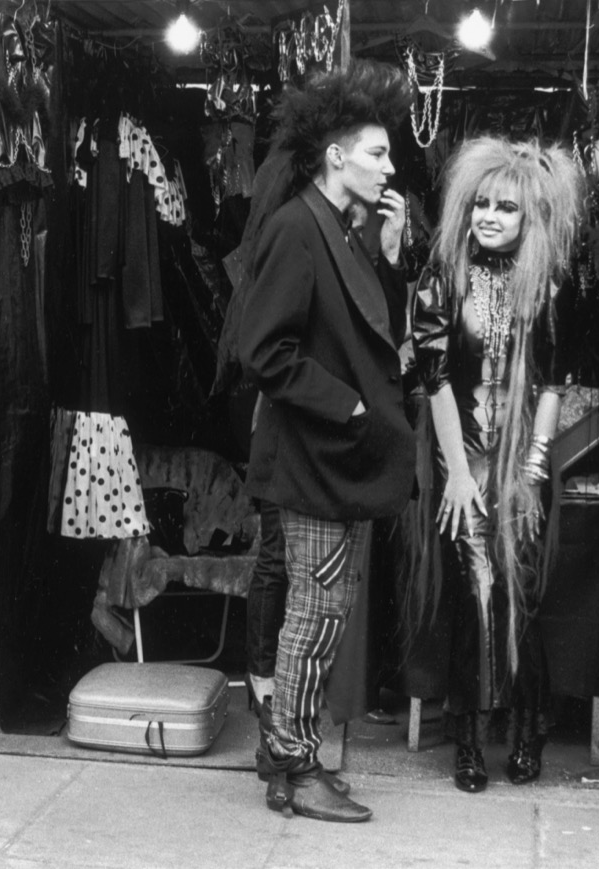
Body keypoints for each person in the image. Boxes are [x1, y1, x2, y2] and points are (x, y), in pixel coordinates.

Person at [238, 60, 415, 823]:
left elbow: (358, 330)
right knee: (314, 610)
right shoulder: (294, 227)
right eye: (377, 152)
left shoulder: (339, 227)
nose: (390, 164)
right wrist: (348, 409)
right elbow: (263, 350)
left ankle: (291, 753)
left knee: (326, 609)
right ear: (336, 154)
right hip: (312, 457)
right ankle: (292, 762)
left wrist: (387, 251)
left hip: (335, 459)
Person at [411, 137, 584, 792]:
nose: (489, 215)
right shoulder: (441, 277)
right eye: (480, 202)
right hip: (462, 457)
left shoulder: (549, 285)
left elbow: (553, 386)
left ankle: (528, 728)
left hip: (522, 464)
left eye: (504, 206)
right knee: (473, 593)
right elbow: (435, 384)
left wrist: (534, 471)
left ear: (527, 215)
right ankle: (468, 741)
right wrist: (458, 472)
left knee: (518, 598)